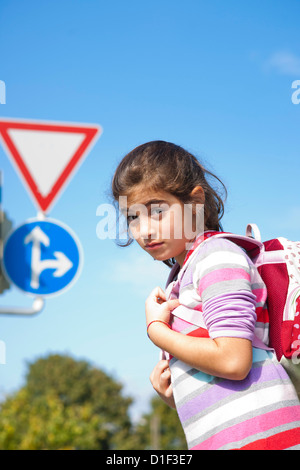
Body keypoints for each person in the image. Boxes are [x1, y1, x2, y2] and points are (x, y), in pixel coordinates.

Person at [111, 140, 300, 450]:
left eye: (156, 211)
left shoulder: (216, 256)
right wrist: (171, 395)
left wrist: (156, 331)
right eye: (132, 217)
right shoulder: (181, 278)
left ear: (195, 203)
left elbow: (233, 361)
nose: (144, 231)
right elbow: (222, 391)